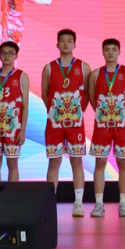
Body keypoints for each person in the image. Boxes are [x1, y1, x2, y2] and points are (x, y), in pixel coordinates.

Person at [42, 29, 91, 217]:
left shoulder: (83, 67)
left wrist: (78, 112)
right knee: (54, 162)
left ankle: (78, 203)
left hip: (75, 123)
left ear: (74, 44)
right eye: (62, 41)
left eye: (69, 41)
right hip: (55, 122)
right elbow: (46, 94)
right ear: (57, 44)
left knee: (76, 161)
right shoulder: (49, 68)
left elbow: (88, 94)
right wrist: (55, 113)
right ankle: (49, 204)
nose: (65, 44)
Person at [88, 39, 125, 218]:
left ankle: (123, 204)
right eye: (107, 49)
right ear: (102, 52)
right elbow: (92, 98)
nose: (110, 53)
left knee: (123, 163)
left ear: (119, 52)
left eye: (114, 50)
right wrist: (103, 115)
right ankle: (99, 204)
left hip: (122, 127)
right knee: (100, 163)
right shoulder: (95, 74)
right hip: (102, 126)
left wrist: (123, 115)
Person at [0, 41, 30, 182]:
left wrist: (22, 130)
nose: (7, 56)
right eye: (3, 53)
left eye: (10, 53)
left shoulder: (22, 76)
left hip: (13, 127)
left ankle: (12, 195)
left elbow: (25, 105)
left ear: (16, 56)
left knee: (12, 164)